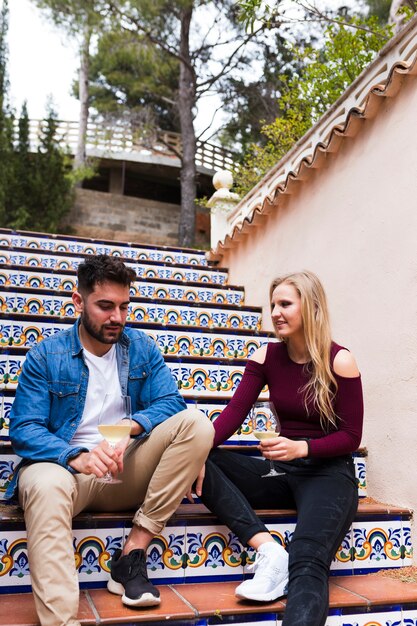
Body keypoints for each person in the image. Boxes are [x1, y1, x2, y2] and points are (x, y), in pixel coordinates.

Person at [6, 254, 214, 626]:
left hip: (124, 467)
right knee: (44, 484)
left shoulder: (141, 348)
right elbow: (25, 429)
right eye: (105, 306)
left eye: (123, 306)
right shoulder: (46, 356)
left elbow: (172, 402)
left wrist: (131, 428)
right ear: (78, 301)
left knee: (197, 424)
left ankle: (132, 552)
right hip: (65, 472)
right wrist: (77, 456)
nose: (117, 317)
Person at [195, 270, 363, 626]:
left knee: (307, 558)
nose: (275, 312)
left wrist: (302, 448)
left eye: (285, 304)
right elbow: (232, 416)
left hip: (328, 475)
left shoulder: (339, 360)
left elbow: (351, 436)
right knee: (199, 456)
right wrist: (193, 452)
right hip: (281, 472)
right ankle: (269, 551)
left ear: (311, 308)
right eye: (273, 304)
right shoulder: (265, 357)